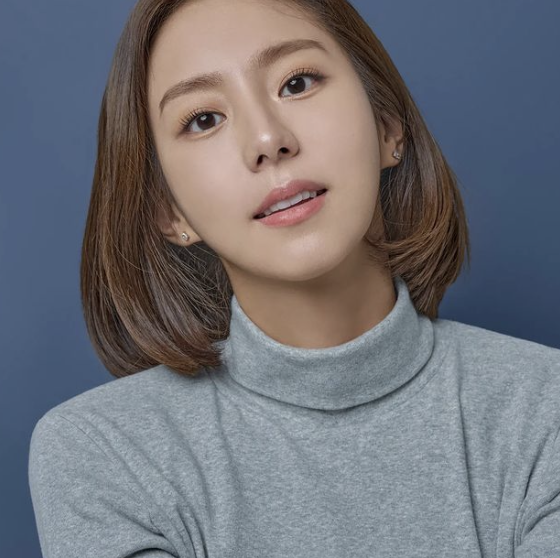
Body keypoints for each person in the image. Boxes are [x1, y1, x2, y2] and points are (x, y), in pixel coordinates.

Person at [28, 0, 560, 556]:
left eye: (297, 83)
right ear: (169, 212)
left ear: (386, 126)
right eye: (204, 119)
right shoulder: (104, 454)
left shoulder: (545, 411)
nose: (267, 140)